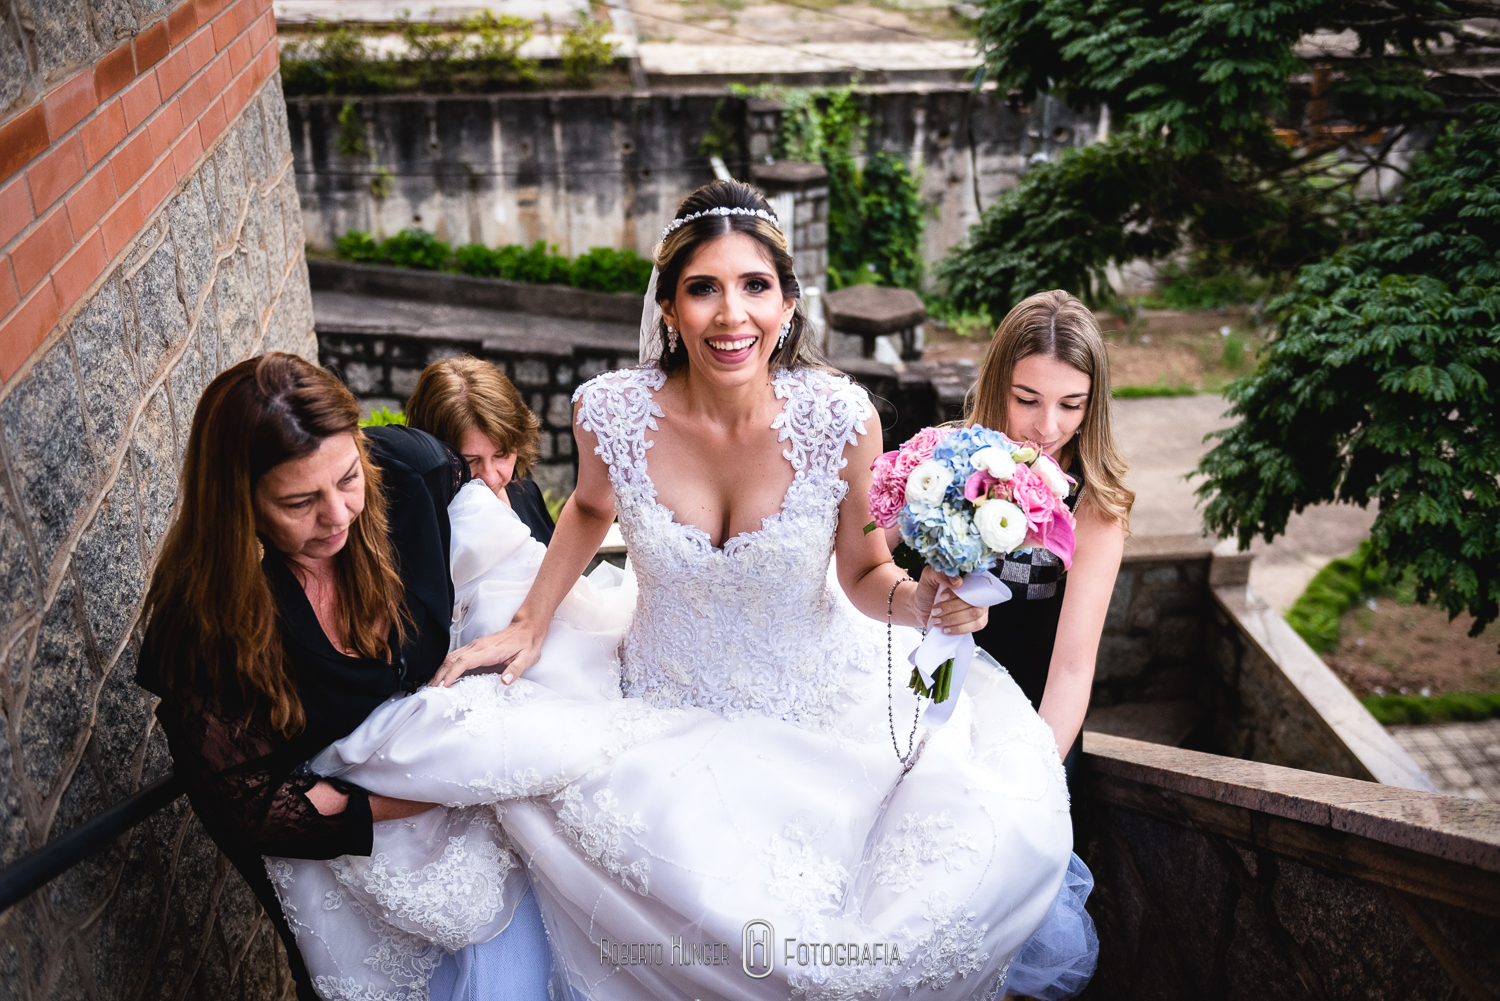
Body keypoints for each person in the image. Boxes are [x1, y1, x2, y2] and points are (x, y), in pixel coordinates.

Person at [281, 180, 1098, 999]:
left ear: (787, 303)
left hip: (817, 715)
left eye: (755, 286)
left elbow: (863, 572)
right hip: (656, 705)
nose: (731, 314)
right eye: (704, 287)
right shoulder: (610, 411)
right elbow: (589, 507)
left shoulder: (842, 419)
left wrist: (918, 604)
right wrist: (531, 620)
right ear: (668, 305)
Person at [134, 353, 555, 1001]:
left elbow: (501, 548)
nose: (338, 516)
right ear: (239, 502)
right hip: (346, 867)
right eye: (299, 501)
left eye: (348, 478)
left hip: (472, 821)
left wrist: (526, 624)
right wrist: (433, 791)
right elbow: (253, 808)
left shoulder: (411, 475)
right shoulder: (204, 624)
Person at [967, 291, 1134, 790]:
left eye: (1071, 405)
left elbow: (1072, 672)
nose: (1047, 427)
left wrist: (1028, 781)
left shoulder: (1094, 510)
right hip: (923, 710)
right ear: (997, 385)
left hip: (1029, 732)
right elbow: (869, 558)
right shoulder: (946, 459)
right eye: (1027, 399)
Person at [405, 355, 556, 545]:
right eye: (469, 461)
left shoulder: (528, 495)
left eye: (501, 455)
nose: (490, 478)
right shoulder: (425, 527)